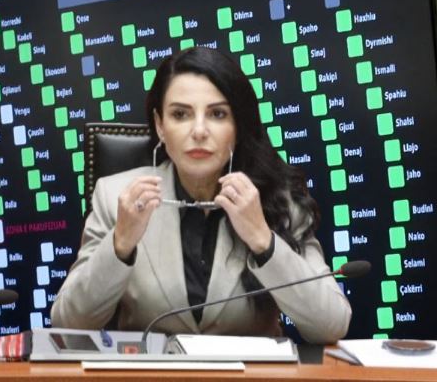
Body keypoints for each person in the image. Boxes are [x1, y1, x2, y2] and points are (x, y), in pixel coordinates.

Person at [50, 47, 351, 344]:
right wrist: (120, 244)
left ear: (237, 126)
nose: (199, 131)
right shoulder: (115, 196)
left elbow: (331, 325)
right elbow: (68, 323)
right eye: (180, 114)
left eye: (217, 114)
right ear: (160, 126)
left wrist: (262, 239)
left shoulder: (278, 198)